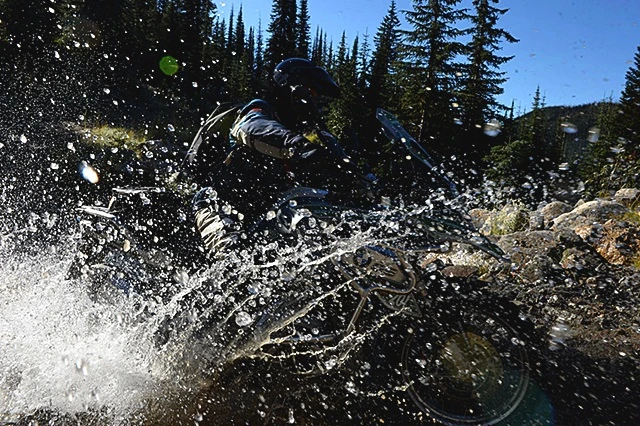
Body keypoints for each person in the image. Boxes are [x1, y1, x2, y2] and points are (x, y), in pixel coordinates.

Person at [191, 58, 374, 258]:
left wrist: (353, 177)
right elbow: (252, 129)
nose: (315, 102)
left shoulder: (293, 138)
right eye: (312, 93)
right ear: (294, 89)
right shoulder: (258, 111)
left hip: (257, 217)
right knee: (232, 260)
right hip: (218, 203)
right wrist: (300, 148)